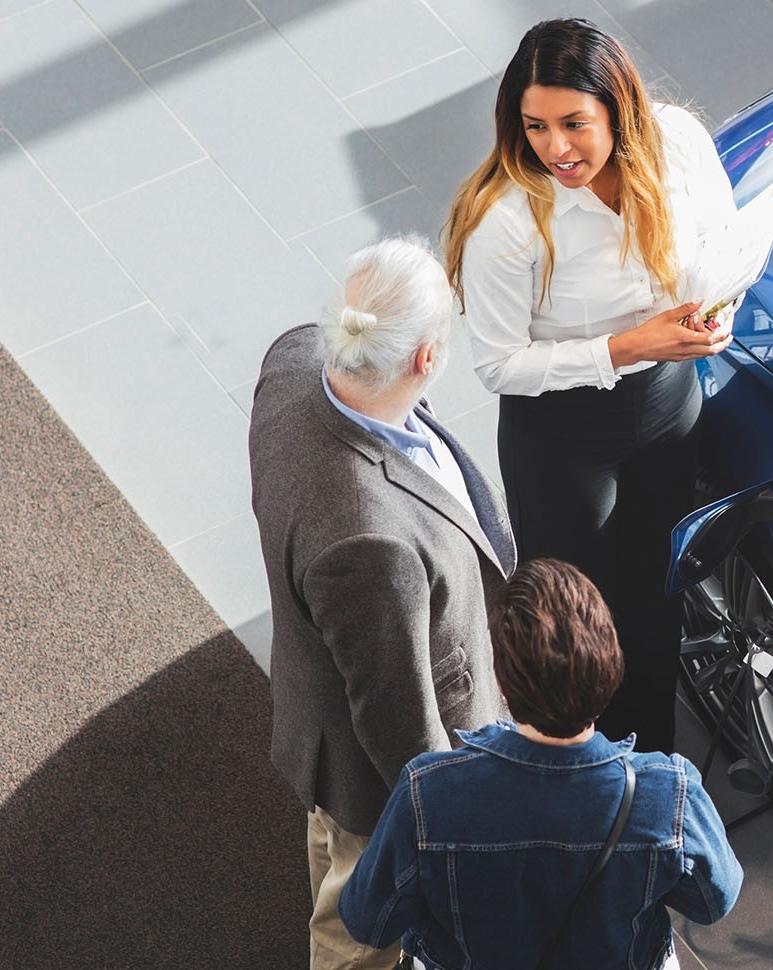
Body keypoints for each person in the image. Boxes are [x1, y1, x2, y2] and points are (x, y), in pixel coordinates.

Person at [445, 17, 738, 753]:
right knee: (577, 623)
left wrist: (720, 307)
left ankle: (658, 761)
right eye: (535, 126)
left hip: (668, 403)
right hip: (562, 437)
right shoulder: (508, 222)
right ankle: (585, 766)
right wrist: (629, 344)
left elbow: (723, 239)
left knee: (656, 599)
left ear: (619, 109)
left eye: (574, 123)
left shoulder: (677, 146)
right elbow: (499, 365)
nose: (556, 148)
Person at [249, 236, 517, 970]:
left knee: (330, 842)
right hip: (374, 771)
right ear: (426, 359)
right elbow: (395, 713)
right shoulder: (371, 542)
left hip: (318, 700)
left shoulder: (293, 362)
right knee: (359, 925)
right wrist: (449, 820)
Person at [339, 558, 743, 970]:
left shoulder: (427, 794)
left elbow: (366, 921)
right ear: (610, 664)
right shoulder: (670, 794)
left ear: (501, 681)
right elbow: (714, 903)